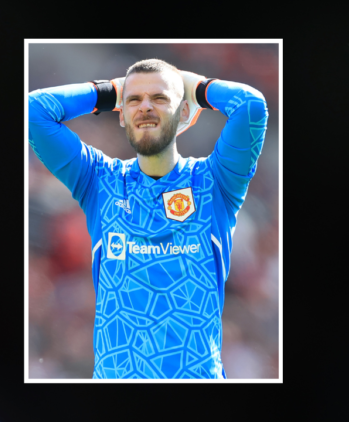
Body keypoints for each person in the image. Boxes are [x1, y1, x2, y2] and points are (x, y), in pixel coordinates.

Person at [28, 59, 268, 379]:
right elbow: (34, 111)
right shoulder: (99, 181)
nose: (145, 107)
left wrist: (193, 85)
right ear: (122, 117)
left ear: (184, 113)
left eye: (159, 99)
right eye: (134, 101)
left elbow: (250, 106)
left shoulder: (215, 182)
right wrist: (112, 91)